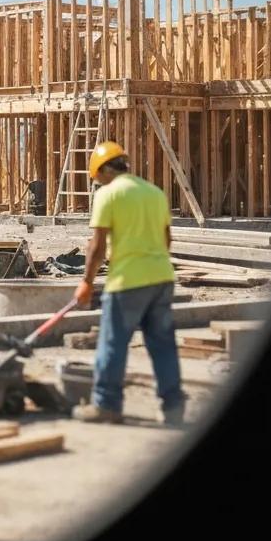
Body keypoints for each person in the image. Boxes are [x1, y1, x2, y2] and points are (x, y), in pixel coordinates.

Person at [72, 140, 187, 426]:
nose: (97, 183)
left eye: (97, 178)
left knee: (113, 343)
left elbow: (97, 248)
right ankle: (173, 407)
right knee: (163, 346)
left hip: (127, 282)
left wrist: (86, 282)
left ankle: (106, 405)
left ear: (103, 171)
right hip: (162, 279)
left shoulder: (108, 195)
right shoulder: (154, 193)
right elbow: (167, 240)